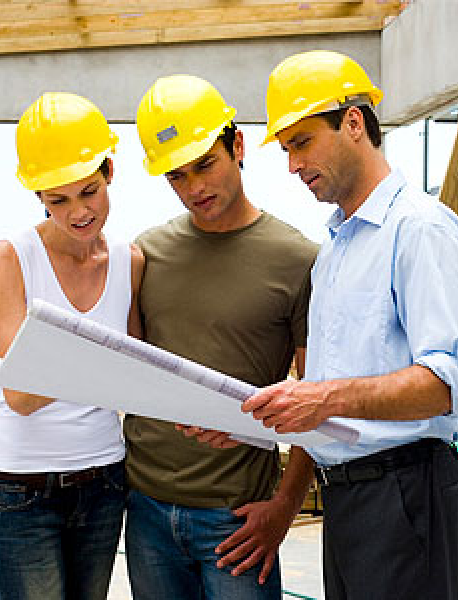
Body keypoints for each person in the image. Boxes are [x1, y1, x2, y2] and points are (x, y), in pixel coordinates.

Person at [242, 50, 458, 599]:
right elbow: (337, 385)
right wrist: (257, 413)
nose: (292, 164)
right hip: (350, 497)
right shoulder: (337, 248)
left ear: (353, 123)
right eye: (284, 149)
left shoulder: (419, 231)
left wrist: (322, 400)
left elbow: (445, 385)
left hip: (406, 492)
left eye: (301, 142)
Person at [123, 74, 319, 599]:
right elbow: (122, 372)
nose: (194, 188)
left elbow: (316, 398)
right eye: (176, 177)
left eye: (204, 165)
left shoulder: (297, 258)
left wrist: (284, 507)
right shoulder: (147, 253)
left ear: (237, 146)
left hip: (236, 518)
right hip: (144, 510)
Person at [0, 92, 144, 600]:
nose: (79, 213)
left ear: (110, 170)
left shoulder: (129, 261)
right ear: (40, 199)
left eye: (89, 191)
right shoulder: (10, 257)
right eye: (58, 200)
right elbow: (22, 396)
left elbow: (134, 377)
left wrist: (70, 365)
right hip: (19, 490)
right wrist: (106, 365)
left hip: (104, 482)